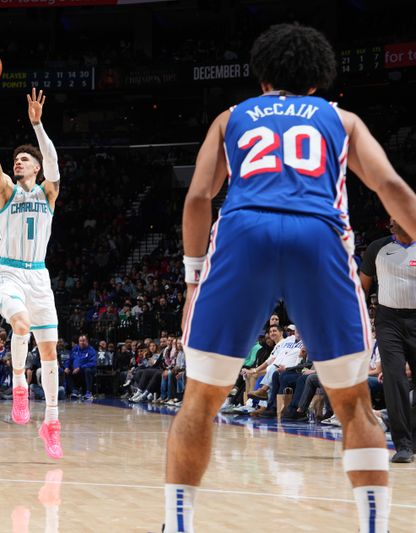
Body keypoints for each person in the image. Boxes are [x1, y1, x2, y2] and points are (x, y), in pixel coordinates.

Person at [165, 23, 416, 533]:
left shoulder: (230, 117)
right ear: (317, 81)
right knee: (354, 403)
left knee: (201, 398)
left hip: (243, 233)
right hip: (317, 236)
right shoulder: (340, 119)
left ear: (260, 77)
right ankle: (375, 527)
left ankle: (178, 525)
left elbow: (197, 198)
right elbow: (389, 184)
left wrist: (194, 275)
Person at [0, 86, 64, 459]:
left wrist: (38, 126)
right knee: (21, 325)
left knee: (49, 352)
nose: (19, 163)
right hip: (9, 273)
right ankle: (18, 389)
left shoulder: (47, 193)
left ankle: (52, 423)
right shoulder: (6, 192)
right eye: (18, 160)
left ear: (37, 166)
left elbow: (55, 165)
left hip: (39, 276)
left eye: (25, 159)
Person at [359, 218, 416, 463]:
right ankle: (403, 444)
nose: (391, 221)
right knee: (394, 379)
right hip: (388, 320)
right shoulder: (377, 248)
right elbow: (362, 287)